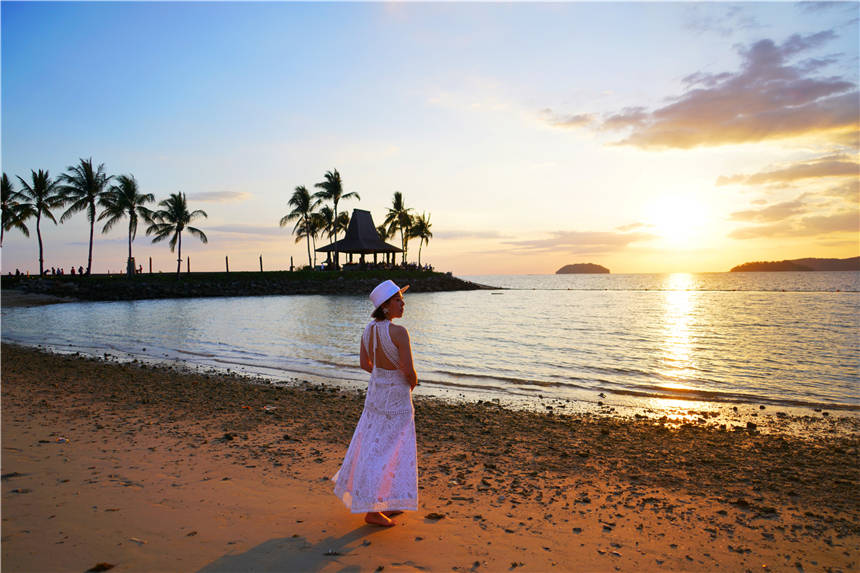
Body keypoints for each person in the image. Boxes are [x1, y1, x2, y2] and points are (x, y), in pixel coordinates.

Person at [333, 280, 419, 527]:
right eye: (397, 300)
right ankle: (372, 509)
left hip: (376, 396)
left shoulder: (368, 330)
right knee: (390, 449)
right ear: (384, 306)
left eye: (402, 299)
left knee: (374, 445)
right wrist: (410, 383)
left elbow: (364, 364)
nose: (402, 304)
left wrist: (382, 377)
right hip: (396, 399)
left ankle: (382, 504)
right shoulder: (399, 333)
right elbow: (408, 370)